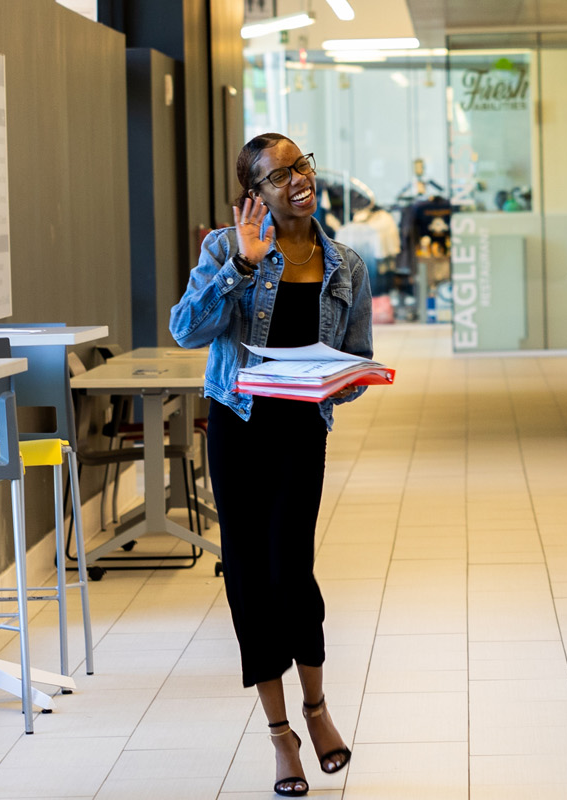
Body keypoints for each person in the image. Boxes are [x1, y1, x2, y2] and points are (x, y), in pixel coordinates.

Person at [169, 132, 371, 797]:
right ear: (254, 194)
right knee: (251, 577)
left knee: (293, 569)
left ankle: (316, 708)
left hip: (299, 429)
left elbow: (358, 359)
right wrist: (244, 269)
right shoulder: (226, 249)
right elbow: (186, 330)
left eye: (302, 166)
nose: (298, 181)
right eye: (279, 175)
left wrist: (345, 378)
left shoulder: (346, 264)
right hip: (238, 426)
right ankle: (281, 733)